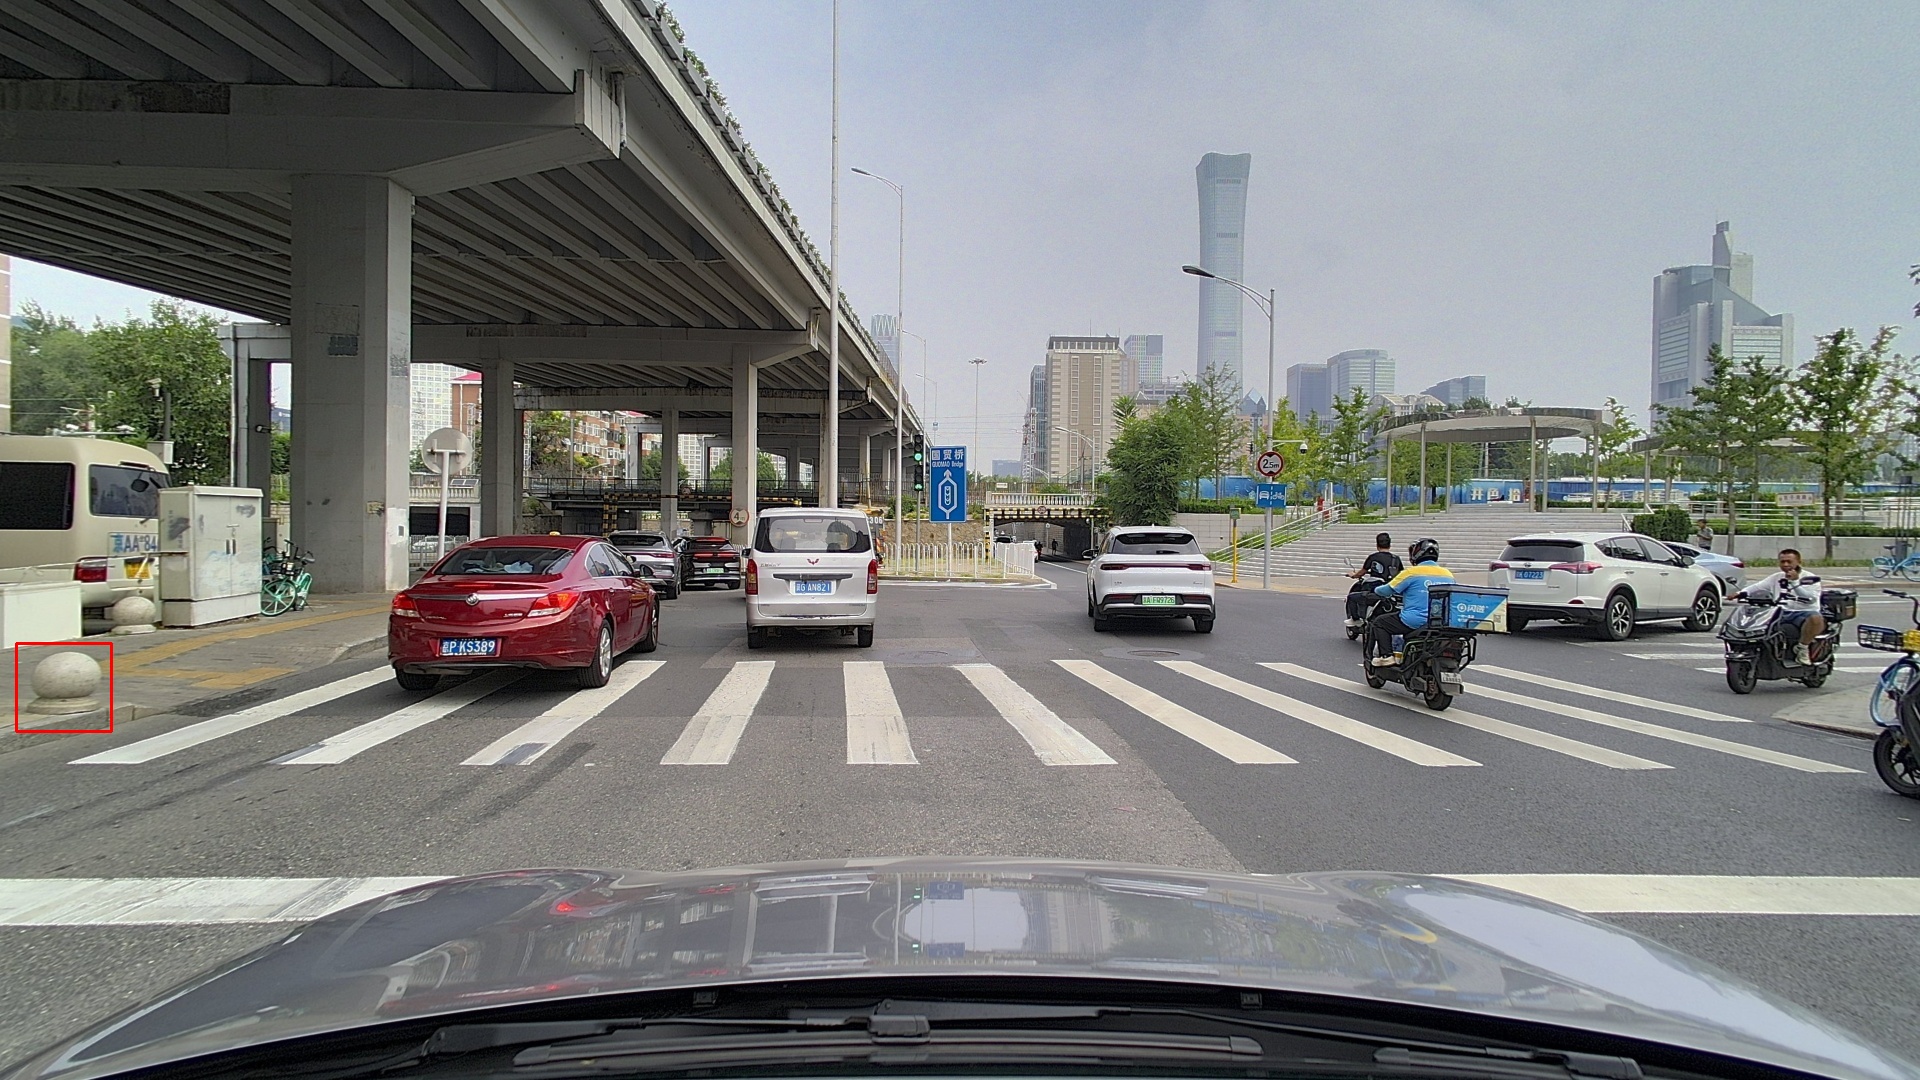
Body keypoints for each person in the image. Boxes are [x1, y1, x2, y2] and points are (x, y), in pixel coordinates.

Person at [1367, 537, 1454, 666]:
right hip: (1439, 622)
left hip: (1414, 621)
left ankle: (1387, 656)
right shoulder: (1448, 574)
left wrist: (1375, 589)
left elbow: (1387, 590)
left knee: (1379, 623)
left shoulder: (1411, 573)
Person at [1739, 548, 1825, 666]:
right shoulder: (1776, 577)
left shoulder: (1810, 578)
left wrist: (1795, 582)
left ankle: (1802, 648)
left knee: (1816, 619)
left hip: (1803, 612)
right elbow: (1757, 587)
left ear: (1799, 562)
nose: (1785, 564)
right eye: (1782, 562)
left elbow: (1811, 598)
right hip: (1781, 611)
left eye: (1789, 562)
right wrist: (1740, 593)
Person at [1345, 532, 1404, 628]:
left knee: (1352, 597)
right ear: (1390, 544)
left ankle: (1356, 620)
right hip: (1391, 591)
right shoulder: (1396, 559)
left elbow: (1362, 572)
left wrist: (1353, 575)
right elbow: (1401, 573)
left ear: (1377, 545)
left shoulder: (1373, 557)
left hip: (1375, 590)